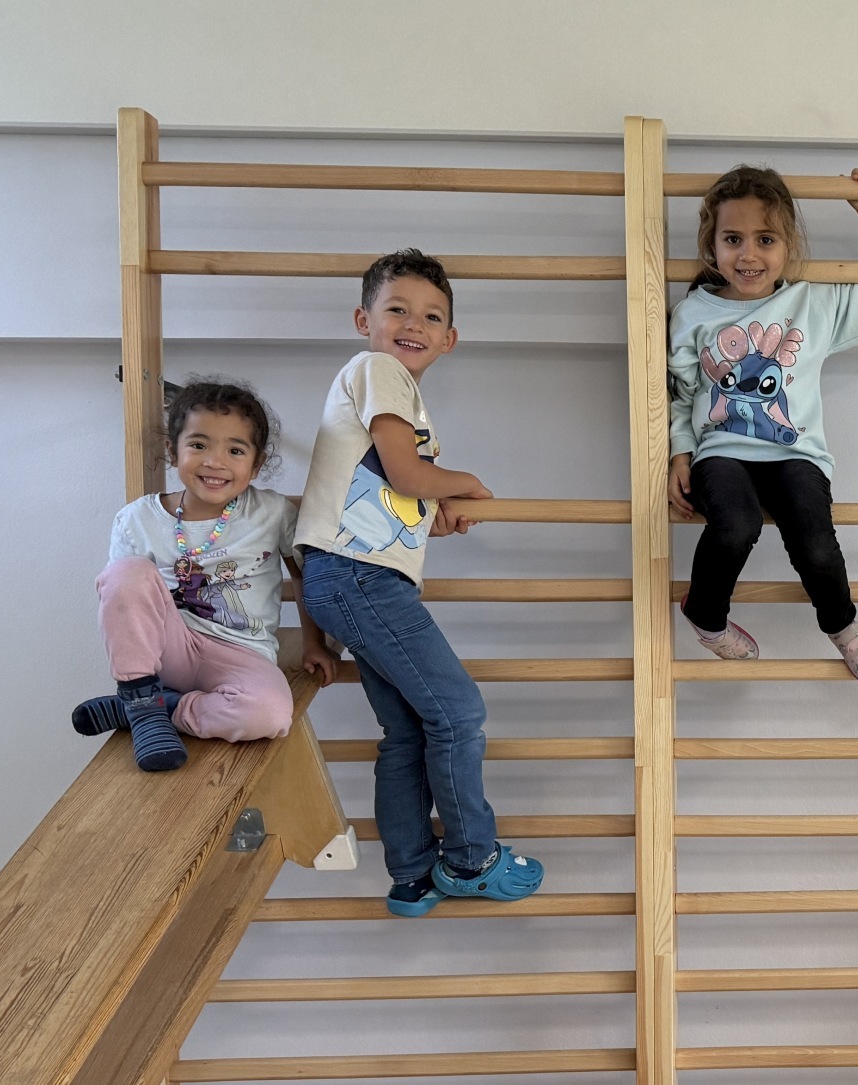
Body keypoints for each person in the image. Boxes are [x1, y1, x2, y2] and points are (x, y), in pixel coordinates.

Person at [294, 248, 543, 916]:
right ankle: (468, 858)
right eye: (397, 309)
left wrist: (432, 511)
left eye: (431, 315)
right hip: (361, 579)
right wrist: (461, 482)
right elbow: (406, 473)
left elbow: (386, 490)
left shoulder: (385, 391)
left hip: (345, 577)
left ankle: (411, 875)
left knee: (408, 733)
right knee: (458, 712)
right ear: (363, 319)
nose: (414, 323)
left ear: (449, 337)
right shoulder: (380, 371)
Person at [668, 164, 858, 681]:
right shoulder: (693, 313)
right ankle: (706, 615)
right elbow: (682, 393)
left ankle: (843, 627)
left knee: (816, 541)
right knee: (736, 526)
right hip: (723, 451)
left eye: (765, 239)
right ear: (711, 245)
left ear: (788, 246)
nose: (749, 254)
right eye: (733, 239)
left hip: (796, 453)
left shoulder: (812, 301)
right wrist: (680, 452)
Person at [74, 380, 332, 771]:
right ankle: (141, 699)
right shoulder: (137, 519)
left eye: (235, 450)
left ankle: (152, 709)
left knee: (270, 715)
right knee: (125, 573)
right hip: (167, 649)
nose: (215, 461)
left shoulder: (273, 513)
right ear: (172, 452)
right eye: (198, 445)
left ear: (256, 464)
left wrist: (315, 643)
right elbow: (123, 602)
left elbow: (303, 576)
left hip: (240, 653)